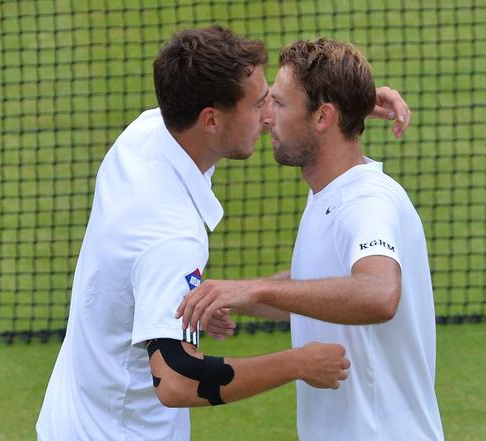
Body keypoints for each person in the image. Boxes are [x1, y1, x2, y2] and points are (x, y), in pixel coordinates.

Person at [37, 26, 410, 440]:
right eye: (258, 106)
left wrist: (343, 105)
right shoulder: (171, 238)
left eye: (275, 101)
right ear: (211, 119)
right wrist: (297, 363)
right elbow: (177, 380)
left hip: (71, 418)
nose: (269, 116)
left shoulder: (147, 133)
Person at [177, 38, 444, 440]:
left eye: (280, 104)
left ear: (323, 117)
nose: (266, 117)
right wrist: (239, 298)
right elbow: (319, 287)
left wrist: (253, 288)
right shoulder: (330, 191)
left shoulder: (366, 203)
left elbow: (378, 293)